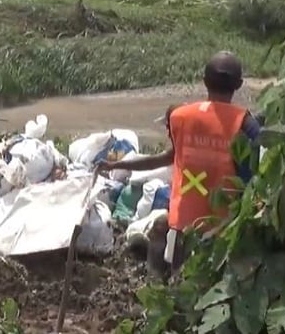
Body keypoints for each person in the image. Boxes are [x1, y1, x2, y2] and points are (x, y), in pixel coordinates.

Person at [97, 51, 260, 271]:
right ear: (239, 84)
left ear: (204, 81)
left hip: (183, 223)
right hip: (224, 228)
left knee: (178, 281)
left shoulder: (180, 117)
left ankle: (157, 289)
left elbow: (166, 158)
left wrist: (116, 165)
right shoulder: (245, 123)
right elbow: (253, 176)